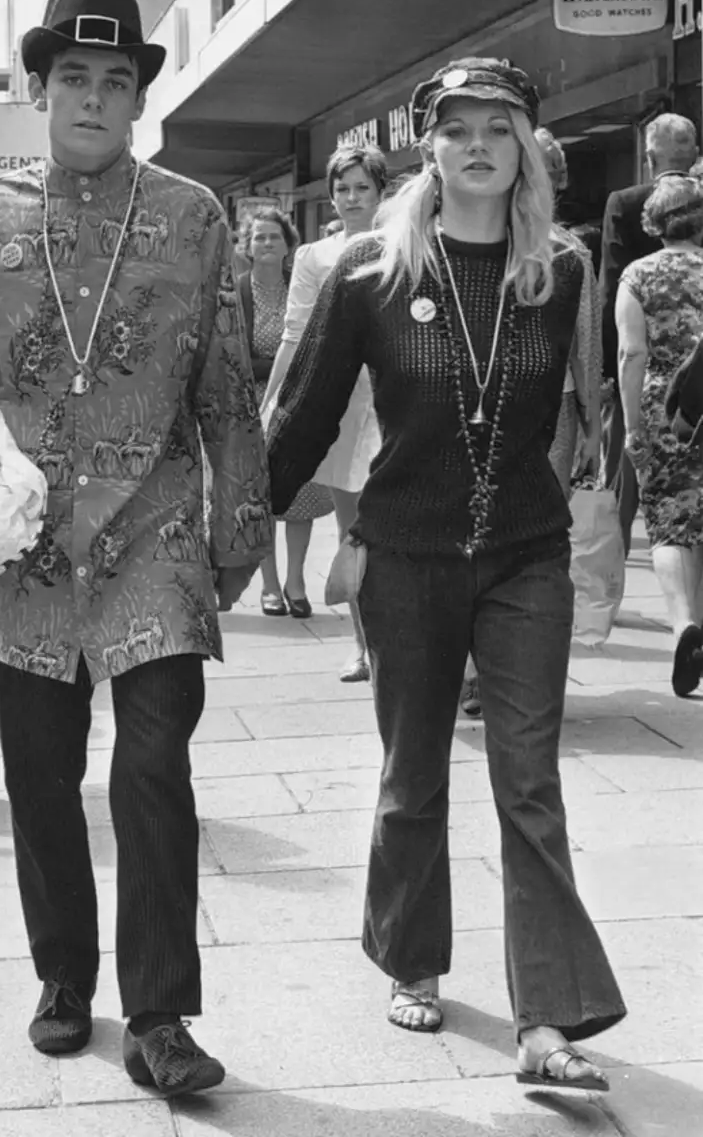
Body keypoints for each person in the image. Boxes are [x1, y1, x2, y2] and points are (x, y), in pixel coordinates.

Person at [0, 0, 271, 1096]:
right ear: (41, 90)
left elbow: (228, 386)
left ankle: (160, 1015)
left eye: (118, 82)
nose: (96, 97)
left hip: (156, 533)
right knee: (43, 777)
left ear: (140, 97)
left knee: (153, 766)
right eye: (76, 79)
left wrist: (239, 527)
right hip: (29, 545)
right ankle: (62, 978)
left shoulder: (195, 216)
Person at [267, 57, 625, 1091]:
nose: (478, 147)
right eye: (458, 129)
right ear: (428, 147)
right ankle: (411, 954)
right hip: (407, 557)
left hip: (526, 558)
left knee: (529, 784)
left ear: (523, 150)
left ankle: (548, 1023)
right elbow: (304, 416)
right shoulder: (372, 273)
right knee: (412, 775)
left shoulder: (557, 269)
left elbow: (568, 404)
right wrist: (232, 537)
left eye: (498, 130)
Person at [263, 144, 385, 680]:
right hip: (342, 403)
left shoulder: (408, 242)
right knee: (351, 530)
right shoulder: (314, 256)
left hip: (399, 401)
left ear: (382, 190)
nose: (351, 198)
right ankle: (363, 648)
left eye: (361, 187)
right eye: (342, 188)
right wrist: (272, 403)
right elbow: (295, 335)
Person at [616, 174, 703, 696]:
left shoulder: (638, 275)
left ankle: (683, 626)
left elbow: (632, 353)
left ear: (654, 223)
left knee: (671, 523)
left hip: (664, 409)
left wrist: (630, 426)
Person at [601, 114, 699, 554]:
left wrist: (606, 371)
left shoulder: (625, 202)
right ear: (694, 155)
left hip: (644, 376)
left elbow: (610, 286)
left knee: (624, 484)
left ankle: (615, 572)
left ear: (647, 156)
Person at [237, 206, 332, 617]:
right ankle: (269, 585)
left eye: (275, 236)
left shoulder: (304, 285)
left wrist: (288, 365)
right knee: (260, 498)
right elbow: (234, 355)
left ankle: (296, 581)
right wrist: (276, 364)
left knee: (301, 495)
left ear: (289, 243)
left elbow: (317, 341)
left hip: (297, 401)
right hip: (251, 406)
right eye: (259, 237)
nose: (267, 243)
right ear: (247, 246)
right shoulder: (235, 291)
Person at [535, 127, 601, 496]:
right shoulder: (569, 250)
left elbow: (584, 348)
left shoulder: (571, 252)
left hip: (555, 402)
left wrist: (591, 427)